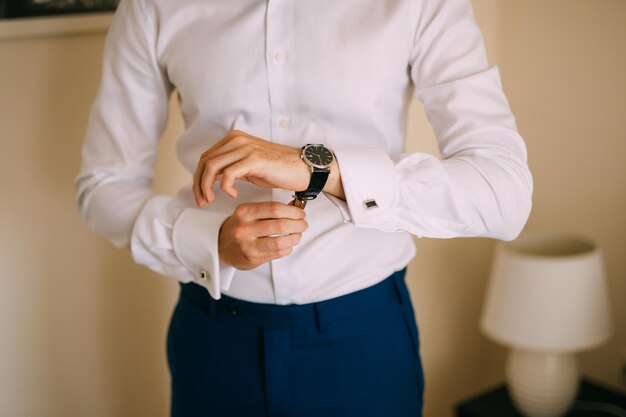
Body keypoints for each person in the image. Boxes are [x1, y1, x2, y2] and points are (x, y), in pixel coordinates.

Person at [75, 0, 533, 415]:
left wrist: (319, 170)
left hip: (364, 339)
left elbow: (502, 192)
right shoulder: (153, 6)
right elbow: (103, 186)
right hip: (215, 338)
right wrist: (209, 242)